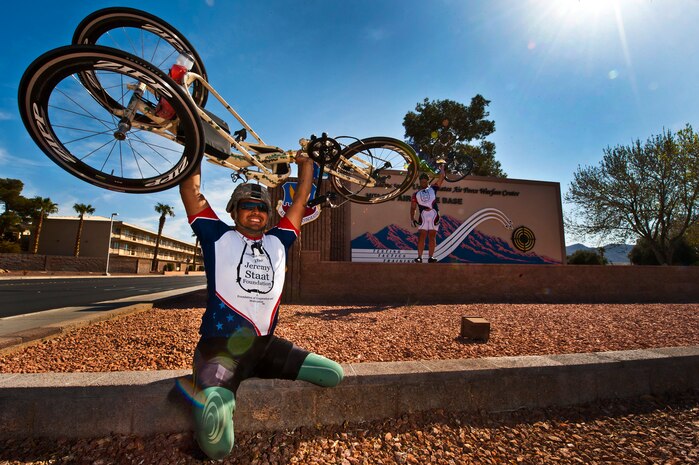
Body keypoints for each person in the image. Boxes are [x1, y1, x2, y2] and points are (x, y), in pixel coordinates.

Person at [179, 152, 344, 460]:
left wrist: (305, 164)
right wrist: (195, 144)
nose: (255, 212)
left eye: (261, 208)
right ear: (234, 212)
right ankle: (215, 384)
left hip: (264, 348)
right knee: (216, 446)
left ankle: (246, 374)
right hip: (220, 352)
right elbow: (191, 191)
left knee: (333, 375)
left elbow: (299, 201)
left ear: (268, 215)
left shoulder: (279, 241)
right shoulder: (216, 236)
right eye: (247, 206)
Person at [410, 165, 446, 263]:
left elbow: (441, 178)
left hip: (434, 214)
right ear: (420, 182)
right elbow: (413, 207)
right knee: (422, 236)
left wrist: (442, 168)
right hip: (423, 216)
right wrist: (412, 218)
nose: (423, 183)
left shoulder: (433, 188)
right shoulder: (415, 194)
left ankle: (431, 257)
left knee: (432, 236)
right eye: (422, 181)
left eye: (425, 181)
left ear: (427, 181)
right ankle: (419, 257)